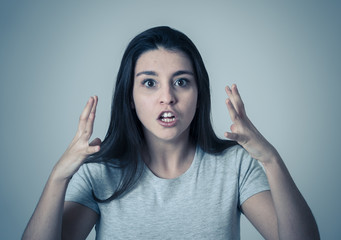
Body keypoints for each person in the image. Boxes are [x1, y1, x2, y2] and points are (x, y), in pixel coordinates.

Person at [22, 26, 320, 240]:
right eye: (150, 83)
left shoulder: (235, 166)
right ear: (130, 96)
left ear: (199, 94)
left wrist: (271, 160)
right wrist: (58, 177)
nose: (167, 97)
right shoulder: (99, 173)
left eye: (181, 82)